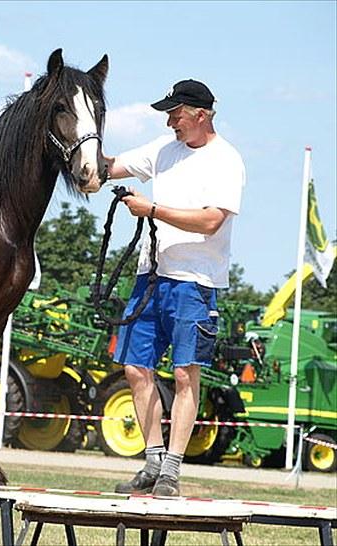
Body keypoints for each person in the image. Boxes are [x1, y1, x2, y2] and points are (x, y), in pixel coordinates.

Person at [104, 79, 245, 496]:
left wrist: (152, 209)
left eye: (176, 114)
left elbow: (210, 221)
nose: (170, 122)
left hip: (196, 283)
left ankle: (172, 470)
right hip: (151, 276)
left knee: (185, 375)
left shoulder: (226, 160)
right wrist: (73, 150)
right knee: (134, 369)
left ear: (201, 115)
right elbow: (108, 166)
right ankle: (152, 461)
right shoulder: (163, 150)